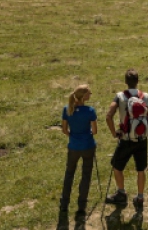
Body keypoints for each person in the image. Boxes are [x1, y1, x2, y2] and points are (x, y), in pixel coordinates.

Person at [105, 68, 148, 210]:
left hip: (126, 139)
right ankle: (140, 198)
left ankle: (121, 194)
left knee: (116, 166)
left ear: (126, 82)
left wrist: (115, 133)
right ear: (137, 81)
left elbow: (109, 116)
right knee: (141, 169)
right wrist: (142, 129)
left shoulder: (120, 96)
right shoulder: (145, 96)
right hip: (142, 139)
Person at [60, 84, 98, 220]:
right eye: (89, 93)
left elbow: (64, 130)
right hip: (88, 146)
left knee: (69, 173)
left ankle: (64, 203)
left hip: (74, 146)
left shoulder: (67, 109)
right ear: (83, 97)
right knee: (86, 175)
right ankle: (81, 206)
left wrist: (72, 135)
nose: (90, 95)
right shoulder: (90, 111)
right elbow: (94, 131)